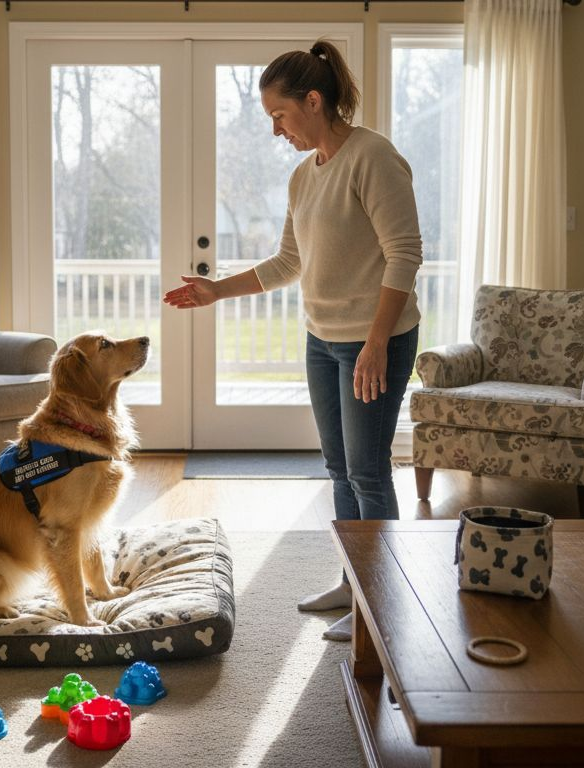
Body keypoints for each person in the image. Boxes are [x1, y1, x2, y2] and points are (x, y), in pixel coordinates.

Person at [163, 39, 422, 642]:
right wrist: (215, 291)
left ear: (313, 100)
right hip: (322, 339)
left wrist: (378, 342)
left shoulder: (374, 158)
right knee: (337, 467)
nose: (277, 130)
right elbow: (288, 262)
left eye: (279, 115)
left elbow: (404, 255)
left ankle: (378, 601)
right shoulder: (304, 176)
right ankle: (350, 578)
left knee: (368, 472)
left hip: (374, 340)